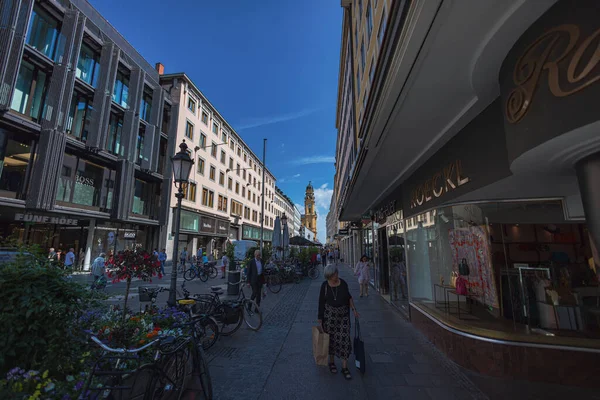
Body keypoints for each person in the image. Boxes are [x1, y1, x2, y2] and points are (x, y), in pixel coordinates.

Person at [318, 264, 359, 380]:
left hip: (343, 316)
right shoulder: (325, 286)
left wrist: (354, 310)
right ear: (328, 276)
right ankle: (332, 362)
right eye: (332, 276)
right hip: (329, 317)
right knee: (331, 339)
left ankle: (344, 367)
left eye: (335, 274)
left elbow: (349, 297)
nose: (335, 277)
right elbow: (321, 302)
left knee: (345, 339)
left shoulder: (343, 283)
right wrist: (320, 318)